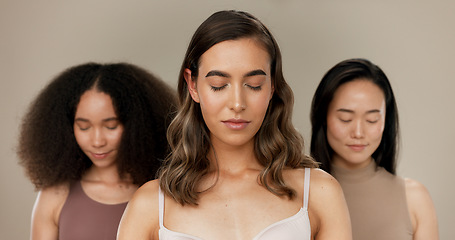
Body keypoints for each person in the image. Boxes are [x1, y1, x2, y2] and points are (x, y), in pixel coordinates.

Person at [117, 10, 351, 240]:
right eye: (219, 85)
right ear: (193, 85)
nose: (237, 103)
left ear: (272, 87)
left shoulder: (319, 193)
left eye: (254, 85)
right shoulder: (150, 206)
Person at [17, 62, 177, 240]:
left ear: (137, 126)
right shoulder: (55, 195)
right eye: (84, 127)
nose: (97, 141)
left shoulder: (161, 195)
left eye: (111, 126)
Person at [310, 58, 439, 240]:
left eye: (372, 120)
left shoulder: (414, 198)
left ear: (386, 120)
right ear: (323, 117)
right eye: (345, 118)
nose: (358, 132)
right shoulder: (301, 193)